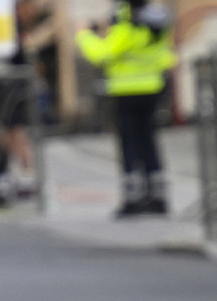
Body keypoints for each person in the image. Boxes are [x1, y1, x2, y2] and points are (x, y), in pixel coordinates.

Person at [76, 0, 176, 217]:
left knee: (129, 143)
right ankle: (157, 195)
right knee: (149, 141)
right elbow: (167, 56)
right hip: (152, 88)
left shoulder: (127, 26)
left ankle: (133, 197)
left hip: (126, 91)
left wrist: (84, 35)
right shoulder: (157, 23)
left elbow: (102, 54)